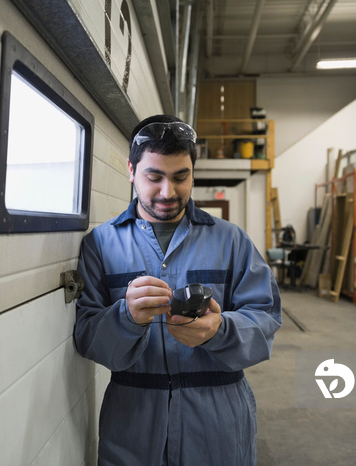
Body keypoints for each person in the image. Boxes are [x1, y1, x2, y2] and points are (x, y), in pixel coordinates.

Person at [73, 114, 282, 465]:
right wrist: (126, 318)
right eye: (154, 177)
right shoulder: (100, 245)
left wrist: (221, 329)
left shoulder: (231, 241)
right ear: (131, 171)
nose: (168, 192)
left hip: (218, 421)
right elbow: (87, 335)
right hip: (133, 420)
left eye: (180, 177)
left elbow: (266, 321)